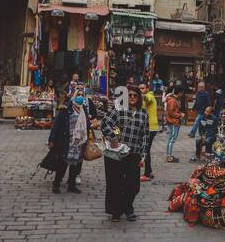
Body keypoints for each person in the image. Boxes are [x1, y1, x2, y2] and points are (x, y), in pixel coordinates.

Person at [103, 88, 149, 222]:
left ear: (139, 98)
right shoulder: (118, 110)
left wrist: (144, 153)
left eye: (136, 95)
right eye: (130, 95)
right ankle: (116, 211)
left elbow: (145, 135)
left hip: (134, 153)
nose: (133, 97)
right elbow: (105, 123)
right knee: (115, 183)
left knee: (133, 185)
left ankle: (127, 207)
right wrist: (114, 139)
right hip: (116, 153)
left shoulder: (143, 114)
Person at [43, 88, 96, 193]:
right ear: (74, 97)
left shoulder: (83, 110)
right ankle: (56, 184)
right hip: (66, 141)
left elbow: (87, 125)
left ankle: (71, 185)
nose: (80, 97)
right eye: (78, 95)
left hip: (79, 143)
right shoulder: (66, 110)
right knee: (62, 164)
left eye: (82, 95)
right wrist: (51, 140)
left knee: (75, 165)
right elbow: (56, 126)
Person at [140, 84, 160, 182]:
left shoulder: (149, 96)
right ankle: (149, 171)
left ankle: (147, 173)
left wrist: (140, 95)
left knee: (146, 150)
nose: (141, 90)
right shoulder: (146, 97)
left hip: (151, 127)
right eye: (139, 88)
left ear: (147, 89)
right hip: (150, 127)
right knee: (146, 149)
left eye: (142, 88)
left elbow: (147, 99)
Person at [163, 85, 183, 163]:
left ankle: (169, 155)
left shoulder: (173, 99)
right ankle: (169, 156)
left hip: (173, 121)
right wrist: (180, 115)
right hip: (173, 121)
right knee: (172, 139)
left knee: (171, 138)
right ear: (180, 93)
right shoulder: (172, 100)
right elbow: (171, 112)